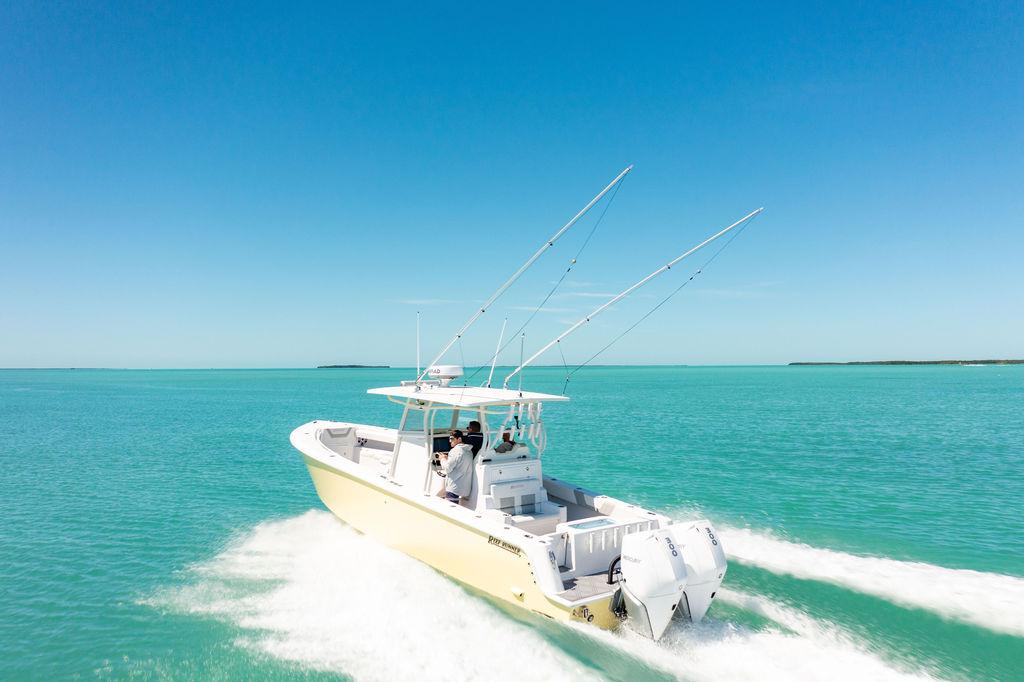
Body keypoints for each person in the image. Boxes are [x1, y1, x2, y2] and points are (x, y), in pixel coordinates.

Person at [439, 430, 474, 504]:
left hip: (454, 489)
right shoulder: (469, 451)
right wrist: (447, 459)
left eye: (452, 438)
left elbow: (447, 468)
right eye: (449, 438)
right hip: (465, 489)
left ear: (459, 439)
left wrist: (442, 459)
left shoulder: (455, 451)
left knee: (450, 510)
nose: (449, 441)